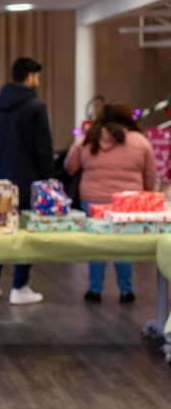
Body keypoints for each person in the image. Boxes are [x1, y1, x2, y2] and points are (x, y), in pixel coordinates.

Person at [65, 100, 157, 303]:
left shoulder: (88, 139)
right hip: (128, 202)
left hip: (92, 200)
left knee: (96, 245)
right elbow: (150, 174)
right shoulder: (139, 141)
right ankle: (126, 291)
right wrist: (146, 195)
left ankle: (94, 290)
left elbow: (69, 166)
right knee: (124, 245)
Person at [0, 57, 53, 305]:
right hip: (31, 183)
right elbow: (43, 147)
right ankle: (19, 287)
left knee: (2, 233)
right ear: (30, 76)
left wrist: (1, 164)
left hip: (3, 182)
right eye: (37, 77)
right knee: (26, 235)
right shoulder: (36, 107)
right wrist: (48, 178)